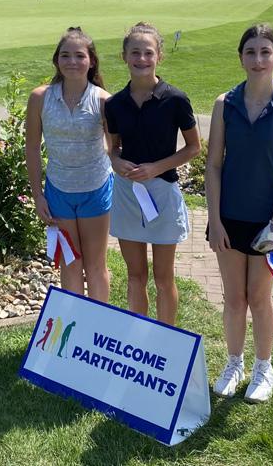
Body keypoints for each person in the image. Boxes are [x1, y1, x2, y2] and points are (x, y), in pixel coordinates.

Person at [205, 23, 273, 403]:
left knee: (259, 298)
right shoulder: (224, 104)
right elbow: (214, 165)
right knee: (234, 298)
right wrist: (215, 221)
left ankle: (265, 368)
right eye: (251, 52)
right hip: (229, 218)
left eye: (266, 52)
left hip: (268, 222)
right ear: (241, 58)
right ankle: (234, 364)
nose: (258, 59)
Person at [105, 22, 200, 326]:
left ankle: (164, 338)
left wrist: (157, 167)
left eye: (148, 52)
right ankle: (139, 338)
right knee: (135, 276)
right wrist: (115, 161)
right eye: (135, 52)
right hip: (128, 193)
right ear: (124, 56)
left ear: (159, 56)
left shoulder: (176, 99)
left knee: (163, 277)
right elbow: (114, 148)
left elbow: (194, 147)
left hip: (162, 192)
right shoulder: (114, 104)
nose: (142, 59)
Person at [25, 27, 112, 302]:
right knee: (70, 263)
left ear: (91, 61)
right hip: (58, 192)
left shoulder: (103, 100)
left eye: (79, 56)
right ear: (56, 60)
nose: (72, 61)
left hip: (95, 190)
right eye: (65, 55)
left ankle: (97, 324)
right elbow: (32, 148)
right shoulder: (40, 98)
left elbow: (115, 150)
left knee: (95, 266)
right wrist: (37, 195)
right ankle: (76, 325)